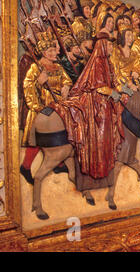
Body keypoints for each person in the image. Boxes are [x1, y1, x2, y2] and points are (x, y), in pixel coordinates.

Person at [50, 32, 132, 191]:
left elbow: (114, 82)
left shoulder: (108, 63)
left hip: (105, 104)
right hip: (94, 105)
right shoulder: (97, 63)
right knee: (98, 137)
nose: (111, 47)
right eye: (108, 45)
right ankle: (94, 169)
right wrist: (113, 93)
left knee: (107, 136)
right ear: (101, 46)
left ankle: (104, 172)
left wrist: (126, 90)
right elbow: (98, 86)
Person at [20, 32, 73, 184]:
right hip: (41, 107)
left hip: (57, 105)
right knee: (38, 139)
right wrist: (39, 83)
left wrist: (66, 87)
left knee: (59, 134)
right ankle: (25, 166)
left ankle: (59, 163)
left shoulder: (57, 67)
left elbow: (66, 80)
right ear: (44, 53)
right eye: (51, 51)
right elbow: (27, 87)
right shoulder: (35, 68)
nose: (56, 52)